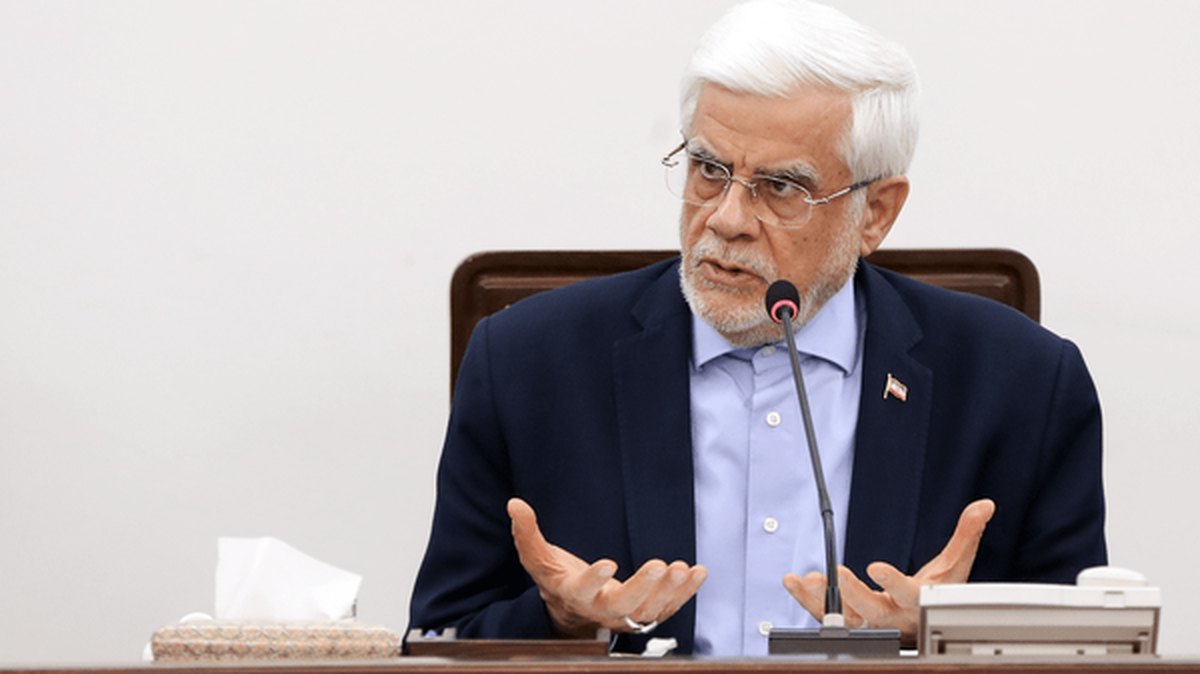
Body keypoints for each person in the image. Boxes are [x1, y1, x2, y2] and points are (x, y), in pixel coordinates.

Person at [408, 0, 1106, 657]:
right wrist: (562, 618)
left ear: (875, 213)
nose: (727, 219)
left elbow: (1088, 655)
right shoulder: (526, 364)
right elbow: (436, 639)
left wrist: (939, 637)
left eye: (782, 188)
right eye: (709, 170)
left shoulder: (1024, 386)